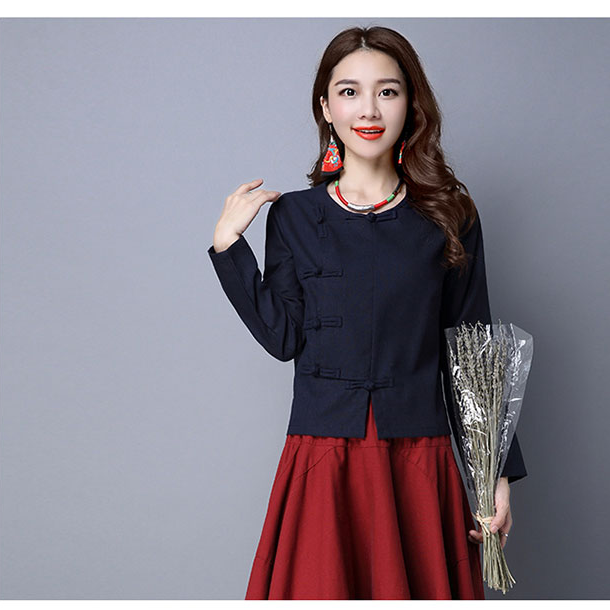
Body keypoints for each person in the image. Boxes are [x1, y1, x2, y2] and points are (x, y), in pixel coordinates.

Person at [207, 25, 527, 600]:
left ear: (411, 104)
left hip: (418, 458)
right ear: (326, 108)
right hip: (323, 458)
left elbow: (471, 351)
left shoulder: (450, 214)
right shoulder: (294, 216)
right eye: (349, 92)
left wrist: (495, 474)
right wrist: (230, 249)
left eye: (388, 91)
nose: (369, 109)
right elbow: (283, 338)